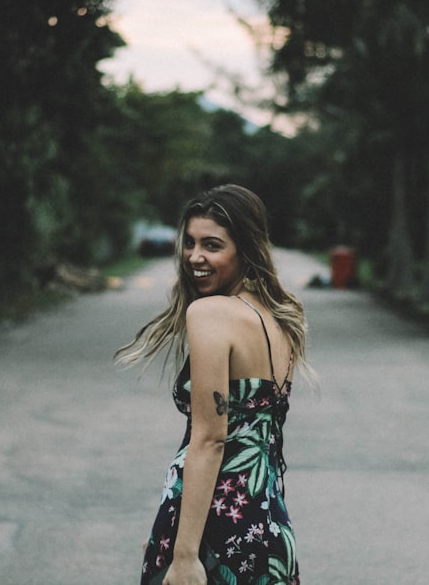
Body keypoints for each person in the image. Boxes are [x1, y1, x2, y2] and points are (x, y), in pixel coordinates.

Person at [116, 184, 315, 585]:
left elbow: (210, 439)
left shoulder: (211, 314)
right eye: (189, 243)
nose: (195, 257)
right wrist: (173, 533)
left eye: (212, 245)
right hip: (268, 527)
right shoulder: (280, 319)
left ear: (246, 248)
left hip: (219, 534)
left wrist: (186, 551)